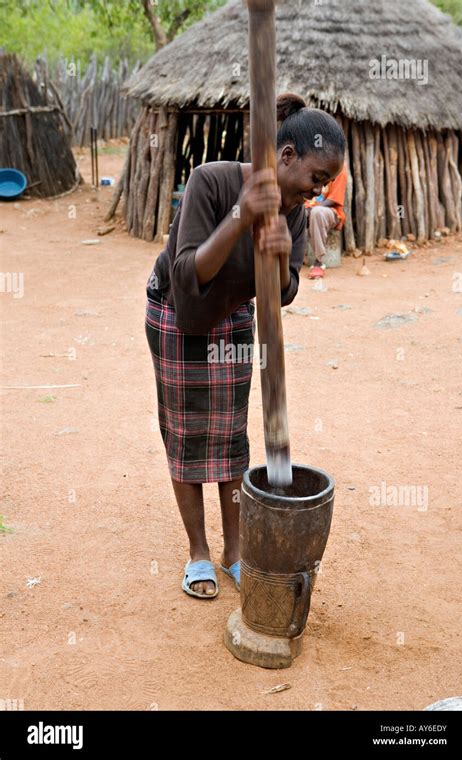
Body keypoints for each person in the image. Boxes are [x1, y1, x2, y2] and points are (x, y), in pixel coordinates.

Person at [145, 92, 345, 598]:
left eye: (325, 184)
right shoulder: (211, 181)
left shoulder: (295, 213)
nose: (317, 192)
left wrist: (279, 258)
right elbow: (189, 272)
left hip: (233, 318)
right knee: (187, 436)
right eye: (316, 178)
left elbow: (283, 291)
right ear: (286, 156)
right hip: (178, 315)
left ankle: (235, 552)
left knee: (230, 438)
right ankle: (199, 554)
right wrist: (240, 216)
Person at [305, 163, 347, 278]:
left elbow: (333, 200)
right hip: (310, 209)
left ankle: (318, 262)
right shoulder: (309, 167)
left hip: (331, 212)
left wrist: (311, 209)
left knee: (317, 212)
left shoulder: (339, 169)